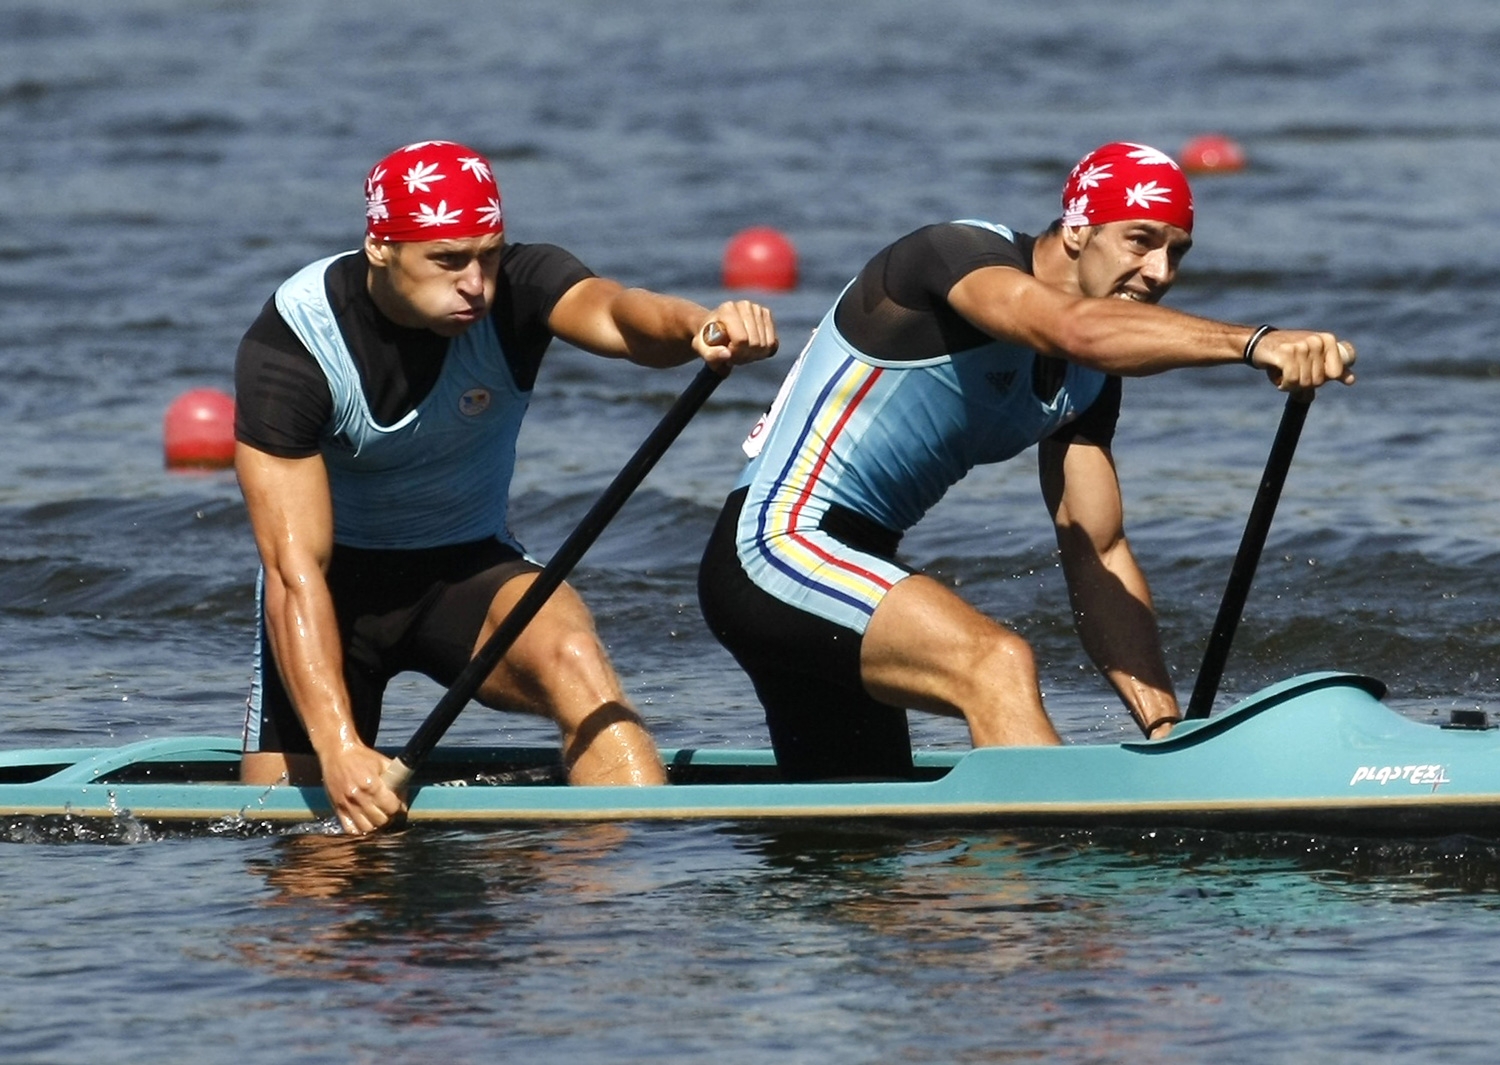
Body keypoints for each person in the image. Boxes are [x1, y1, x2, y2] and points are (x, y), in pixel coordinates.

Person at [698, 141, 1355, 782]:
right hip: (774, 548)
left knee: (860, 859)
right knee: (994, 663)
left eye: (1175, 251)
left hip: (845, 581)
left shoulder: (1092, 378)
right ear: (1077, 230)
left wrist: (1167, 732)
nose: (1161, 271)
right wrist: (1256, 342)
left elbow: (1097, 551)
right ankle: (1047, 890)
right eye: (1139, 240)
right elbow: (1071, 327)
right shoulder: (953, 258)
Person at [234, 139, 778, 833]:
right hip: (328, 596)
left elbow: (619, 313)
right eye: (448, 259)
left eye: (487, 254)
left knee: (577, 660)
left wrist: (700, 324)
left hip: (468, 571)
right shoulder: (294, 343)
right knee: (299, 868)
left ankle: (633, 890)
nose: (476, 283)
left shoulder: (523, 285)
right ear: (380, 247)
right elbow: (291, 573)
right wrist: (340, 748)